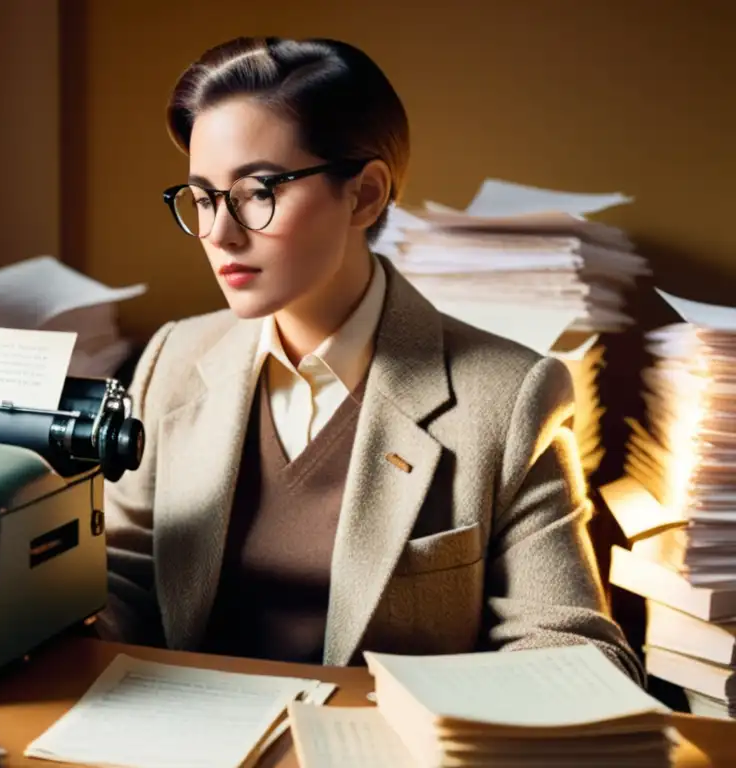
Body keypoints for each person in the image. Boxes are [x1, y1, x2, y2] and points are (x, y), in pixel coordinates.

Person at [96, 35, 642, 682]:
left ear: (365, 195)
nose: (219, 232)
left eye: (258, 192)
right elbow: (126, 576)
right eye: (204, 197)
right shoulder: (176, 356)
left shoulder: (510, 394)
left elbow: (574, 650)